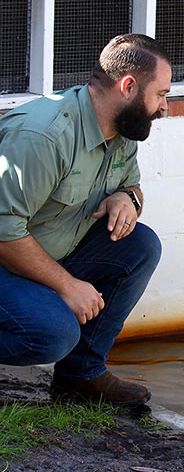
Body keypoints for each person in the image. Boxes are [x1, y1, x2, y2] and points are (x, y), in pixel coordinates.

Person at [0, 34, 172, 407]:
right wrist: (68, 286)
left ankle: (81, 376)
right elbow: (3, 233)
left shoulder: (123, 129)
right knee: (51, 334)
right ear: (128, 86)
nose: (164, 107)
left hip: (44, 252)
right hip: (5, 258)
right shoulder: (42, 137)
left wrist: (126, 199)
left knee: (140, 245)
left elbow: (132, 186)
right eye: (161, 94)